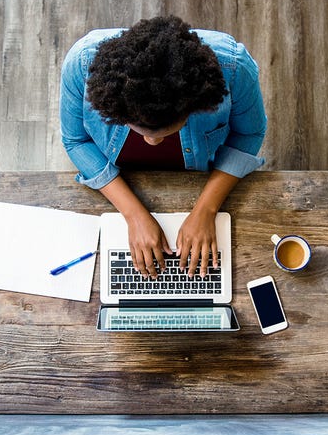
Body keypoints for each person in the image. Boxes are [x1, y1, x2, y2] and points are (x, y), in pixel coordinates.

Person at [60, 15, 267, 280]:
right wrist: (133, 215)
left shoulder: (235, 68)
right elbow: (76, 141)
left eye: (167, 131)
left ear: (195, 106)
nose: (153, 143)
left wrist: (206, 209)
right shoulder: (82, 63)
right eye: (141, 131)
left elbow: (250, 132)